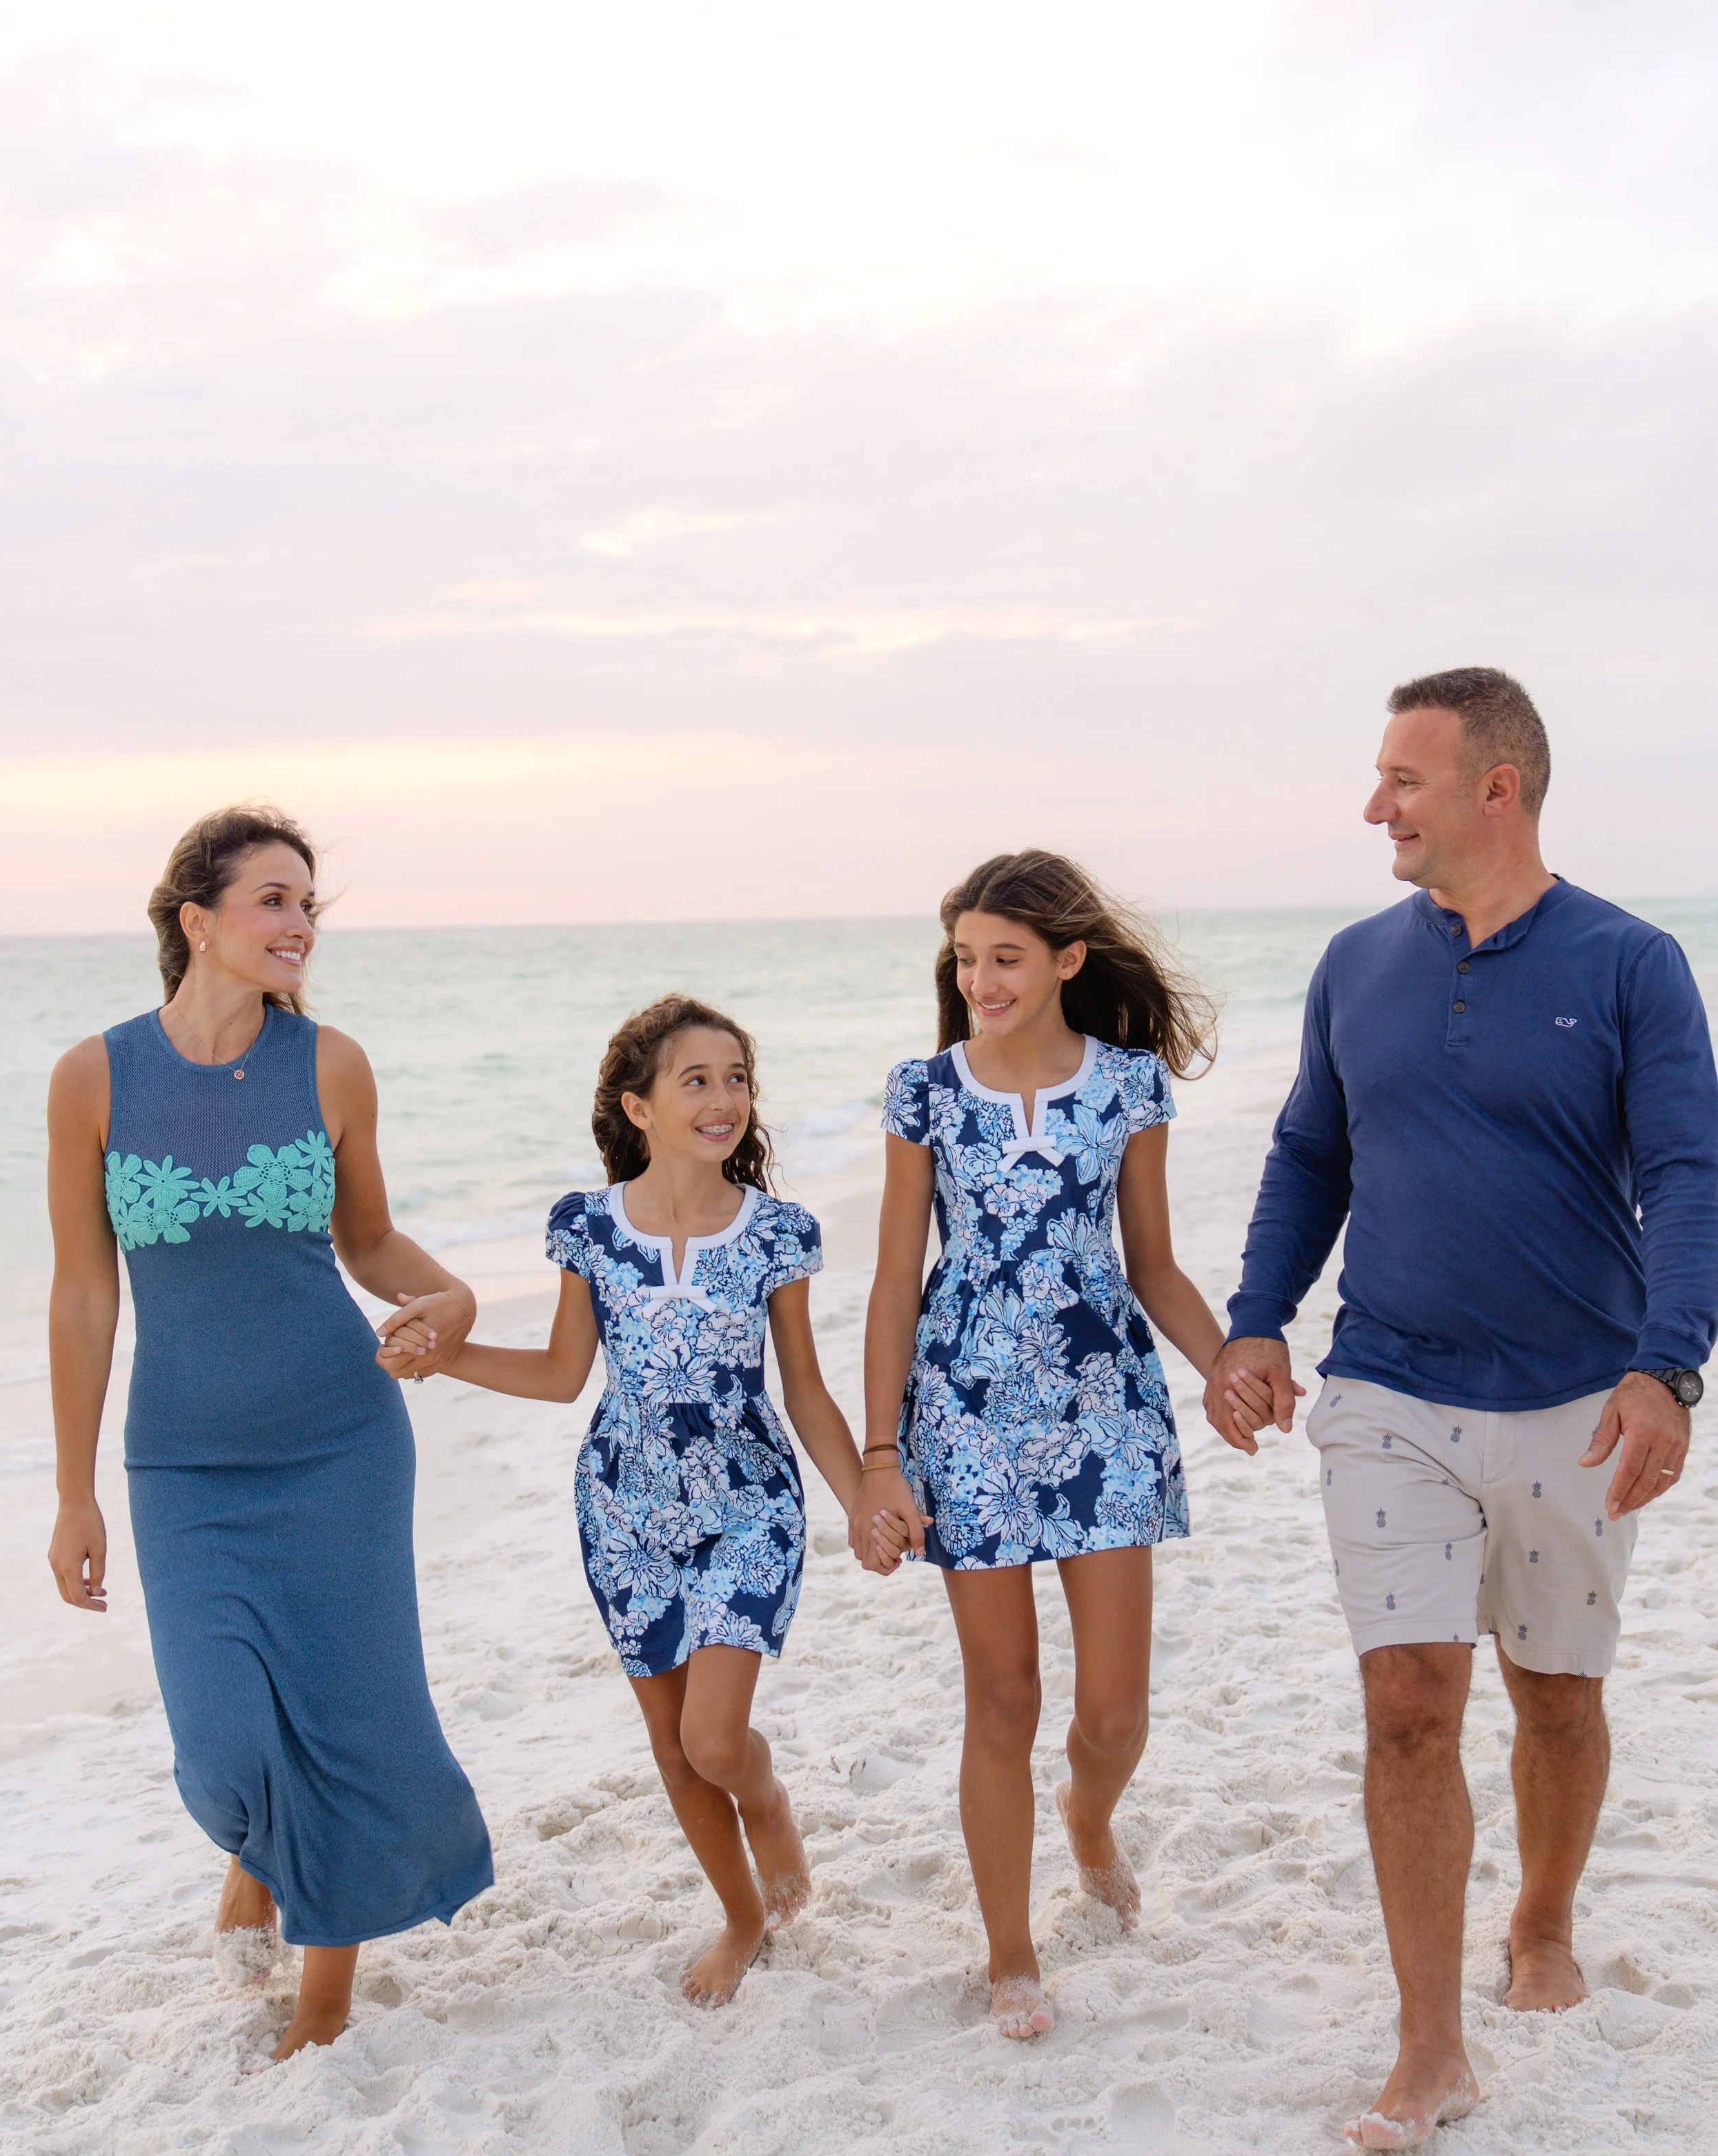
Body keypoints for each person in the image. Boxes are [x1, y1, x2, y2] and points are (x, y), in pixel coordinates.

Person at [1204, 668, 1718, 2150]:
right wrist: (1256, 1319)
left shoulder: (1628, 961)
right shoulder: (1355, 962)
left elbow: (1685, 1174)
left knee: (1553, 1693)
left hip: (1575, 1397)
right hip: (1388, 1387)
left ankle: (1541, 1919)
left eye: (1401, 780)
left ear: (1494, 787)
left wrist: (1665, 1360)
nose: (1374, 805)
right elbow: (1310, 1151)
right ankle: (1427, 2043)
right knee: (1408, 1704)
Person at [46, 806, 493, 2064]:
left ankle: (325, 2000)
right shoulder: (95, 1077)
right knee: (225, 1746)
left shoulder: (330, 1064)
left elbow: (367, 1243)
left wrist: (449, 1298)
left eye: (310, 906)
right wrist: (72, 1495)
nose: (300, 925)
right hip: (183, 1466)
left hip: (343, 1446)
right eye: (275, 901)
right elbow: (85, 1296)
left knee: (351, 1718)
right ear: (198, 920)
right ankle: (257, 1855)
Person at [853, 851, 1270, 2041]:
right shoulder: (924, 1093)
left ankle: (1089, 1820)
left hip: (1106, 1414)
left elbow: (1155, 1266)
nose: (980, 978)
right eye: (967, 957)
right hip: (968, 1415)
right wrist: (883, 1455)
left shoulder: (1130, 1086)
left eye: (1006, 957)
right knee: (1003, 1696)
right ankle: (1011, 1954)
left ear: (1067, 961)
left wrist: (1226, 1364)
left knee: (1117, 1712)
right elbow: (893, 1288)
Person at [404, 995, 871, 2007]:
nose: (723, 1099)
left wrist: (861, 1496)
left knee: (714, 1741)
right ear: (640, 1107)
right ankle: (743, 1917)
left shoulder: (776, 1234)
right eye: (695, 1080)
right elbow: (564, 1374)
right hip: (624, 1509)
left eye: (737, 1077)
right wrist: (447, 1358)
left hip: (749, 1501)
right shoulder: (590, 1228)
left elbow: (807, 1389)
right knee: (671, 1746)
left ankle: (765, 1792)